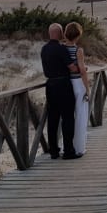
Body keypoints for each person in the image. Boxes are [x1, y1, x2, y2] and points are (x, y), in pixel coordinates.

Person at [40, 23, 80, 159]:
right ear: (61, 33)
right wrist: (82, 67)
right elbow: (72, 68)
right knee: (68, 118)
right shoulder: (61, 49)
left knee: (53, 119)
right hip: (63, 84)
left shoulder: (44, 49)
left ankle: (54, 151)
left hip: (50, 85)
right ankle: (68, 151)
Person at [63, 22, 90, 156]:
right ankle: (79, 147)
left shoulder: (62, 49)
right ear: (78, 36)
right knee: (80, 115)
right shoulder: (78, 50)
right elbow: (82, 70)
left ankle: (67, 145)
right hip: (78, 84)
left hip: (66, 84)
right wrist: (87, 88)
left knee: (68, 116)